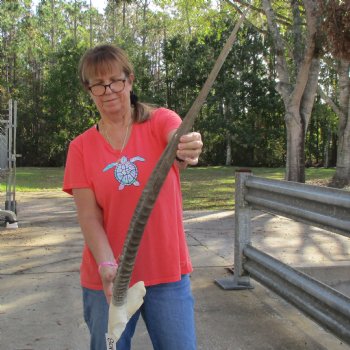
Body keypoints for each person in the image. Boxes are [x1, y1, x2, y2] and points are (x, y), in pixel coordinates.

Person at [63, 44, 203, 350]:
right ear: (89, 90)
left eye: (116, 80)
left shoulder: (158, 121)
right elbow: (89, 216)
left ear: (130, 80)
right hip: (109, 280)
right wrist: (106, 265)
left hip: (166, 274)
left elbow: (177, 135)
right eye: (98, 84)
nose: (109, 90)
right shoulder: (81, 148)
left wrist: (187, 144)